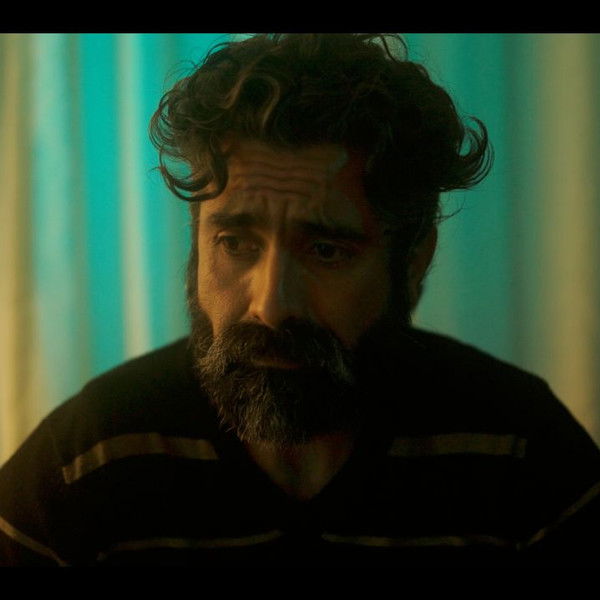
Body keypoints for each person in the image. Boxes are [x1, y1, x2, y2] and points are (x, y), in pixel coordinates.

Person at [1, 34, 598, 567]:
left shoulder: (521, 454)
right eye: (236, 243)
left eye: (326, 251)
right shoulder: (90, 462)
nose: (270, 305)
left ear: (414, 257)